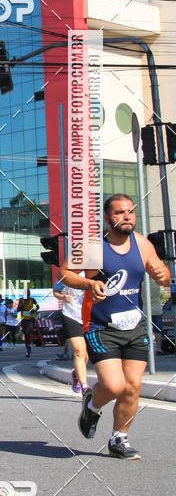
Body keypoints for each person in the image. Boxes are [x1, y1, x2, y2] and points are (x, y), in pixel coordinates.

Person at [59, 193, 170, 460]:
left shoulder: (142, 244)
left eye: (130, 212)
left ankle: (119, 439)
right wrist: (89, 283)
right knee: (113, 385)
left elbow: (163, 273)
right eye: (120, 212)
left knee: (132, 387)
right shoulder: (93, 246)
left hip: (134, 326)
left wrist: (162, 274)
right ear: (108, 218)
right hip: (101, 326)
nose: (127, 217)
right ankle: (92, 405)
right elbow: (64, 273)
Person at [53, 277, 89, 394]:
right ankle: (84, 386)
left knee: (86, 355)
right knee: (79, 351)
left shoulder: (93, 271)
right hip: (70, 315)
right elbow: (56, 291)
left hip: (88, 316)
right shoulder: (66, 273)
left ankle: (76, 374)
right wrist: (63, 297)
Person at [18, 293, 39, 357]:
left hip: (30, 319)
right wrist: (22, 305)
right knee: (26, 334)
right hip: (24, 319)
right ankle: (27, 346)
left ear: (29, 294)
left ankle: (29, 346)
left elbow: (37, 307)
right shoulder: (21, 300)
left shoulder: (32, 300)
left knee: (29, 333)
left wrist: (33, 310)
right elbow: (18, 309)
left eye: (27, 294)